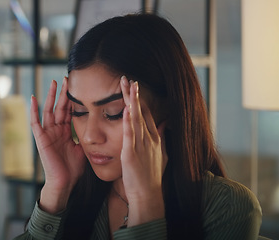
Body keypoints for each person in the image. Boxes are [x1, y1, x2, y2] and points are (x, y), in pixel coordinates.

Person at [14, 13, 262, 240]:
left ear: (170, 110)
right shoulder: (71, 197)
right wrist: (57, 188)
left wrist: (146, 203)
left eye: (113, 114)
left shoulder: (227, 206)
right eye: (79, 111)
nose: (89, 136)